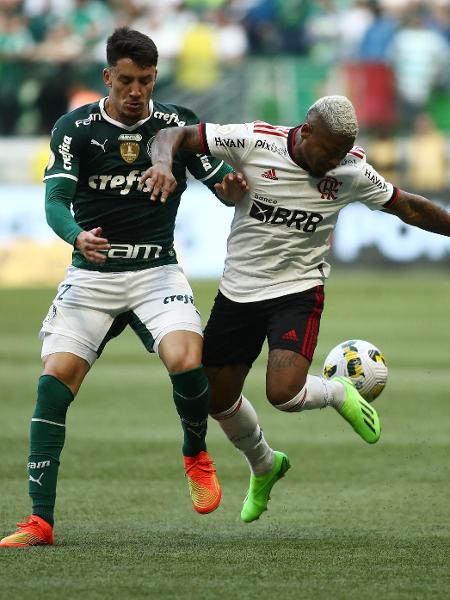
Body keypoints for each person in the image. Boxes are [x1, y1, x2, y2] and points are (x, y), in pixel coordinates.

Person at [142, 95, 450, 523]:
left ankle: (339, 391)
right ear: (305, 132)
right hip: (238, 291)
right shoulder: (253, 141)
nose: (334, 162)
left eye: (341, 153)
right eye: (328, 151)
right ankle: (265, 465)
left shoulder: (351, 171)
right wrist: (160, 163)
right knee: (216, 398)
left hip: (298, 290)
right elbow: (171, 135)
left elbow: (409, 206)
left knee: (282, 392)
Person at [0, 27, 247, 548]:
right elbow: (53, 204)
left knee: (187, 358)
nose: (137, 92)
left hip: (156, 270)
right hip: (91, 275)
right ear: (107, 77)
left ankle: (195, 452)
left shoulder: (179, 123)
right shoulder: (76, 128)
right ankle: (40, 521)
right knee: (54, 382)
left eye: (147, 82)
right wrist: (76, 235)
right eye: (128, 81)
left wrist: (230, 188)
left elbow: (222, 188)